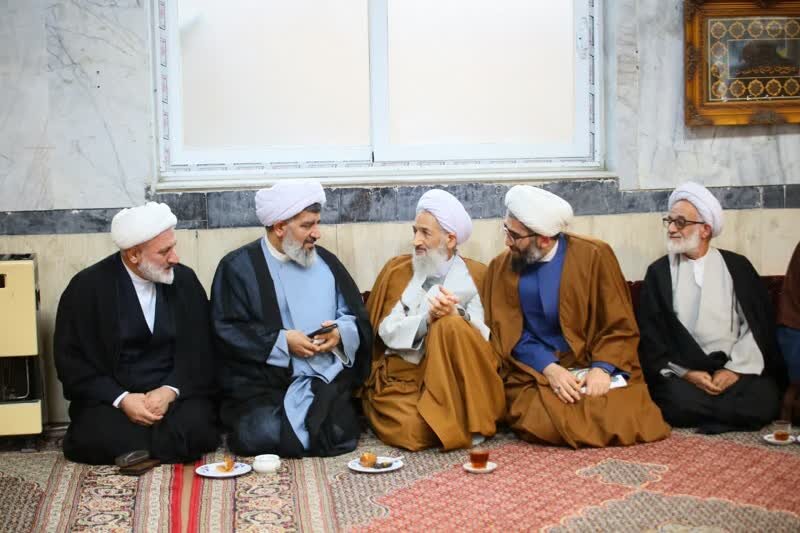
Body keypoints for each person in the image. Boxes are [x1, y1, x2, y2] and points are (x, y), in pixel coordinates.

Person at [482, 185, 670, 448]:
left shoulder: (594, 255)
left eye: (514, 235)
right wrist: (550, 369)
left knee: (622, 414)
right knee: (541, 416)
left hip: (590, 359)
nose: (507, 242)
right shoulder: (501, 267)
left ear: (544, 239)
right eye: (506, 230)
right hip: (534, 369)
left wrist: (602, 368)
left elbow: (619, 324)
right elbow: (508, 334)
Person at [211, 181, 372, 457]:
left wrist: (339, 334)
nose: (316, 234)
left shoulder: (327, 263)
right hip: (264, 385)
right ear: (279, 227)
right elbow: (227, 330)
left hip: (322, 377)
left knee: (339, 432)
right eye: (307, 226)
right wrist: (282, 342)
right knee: (259, 433)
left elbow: (353, 315)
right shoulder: (238, 268)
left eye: (317, 223)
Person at [54, 203, 218, 465]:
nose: (175, 258)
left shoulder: (184, 281)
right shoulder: (87, 288)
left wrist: (170, 391)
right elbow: (71, 362)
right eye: (164, 251)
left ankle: (139, 448)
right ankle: (162, 446)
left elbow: (202, 350)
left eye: (173, 247)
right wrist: (122, 399)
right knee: (93, 433)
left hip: (173, 398)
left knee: (197, 425)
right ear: (133, 255)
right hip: (114, 401)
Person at [362, 190, 505, 451]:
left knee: (450, 324)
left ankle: (460, 413)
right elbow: (386, 331)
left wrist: (455, 315)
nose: (416, 240)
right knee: (413, 429)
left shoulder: (477, 275)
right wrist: (427, 319)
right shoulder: (399, 271)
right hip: (407, 379)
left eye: (425, 233)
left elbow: (486, 339)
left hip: (458, 380)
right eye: (415, 231)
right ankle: (461, 419)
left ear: (450, 239)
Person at [638, 181, 785, 433]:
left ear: (705, 229)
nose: (671, 228)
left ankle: (713, 413)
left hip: (735, 367)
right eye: (669, 221)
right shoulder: (659, 273)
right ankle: (729, 414)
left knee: (764, 399)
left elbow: (756, 328)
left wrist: (734, 371)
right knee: (673, 401)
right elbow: (652, 337)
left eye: (680, 222)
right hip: (684, 373)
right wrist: (689, 374)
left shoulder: (738, 267)